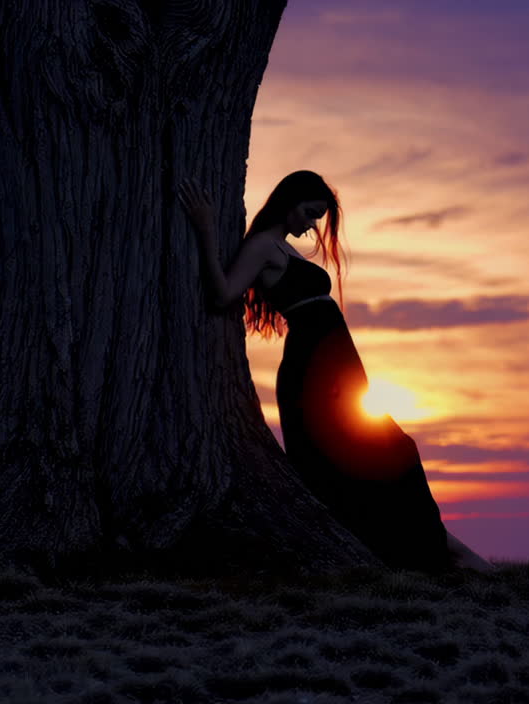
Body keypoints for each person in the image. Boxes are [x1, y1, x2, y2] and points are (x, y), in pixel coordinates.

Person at [178, 170, 492, 572]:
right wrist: (205, 227)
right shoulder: (262, 246)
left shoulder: (281, 248)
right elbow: (223, 294)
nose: (312, 226)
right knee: (383, 455)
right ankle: (445, 552)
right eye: (310, 213)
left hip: (337, 372)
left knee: (389, 453)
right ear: (289, 201)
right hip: (314, 373)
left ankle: (446, 549)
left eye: (318, 218)